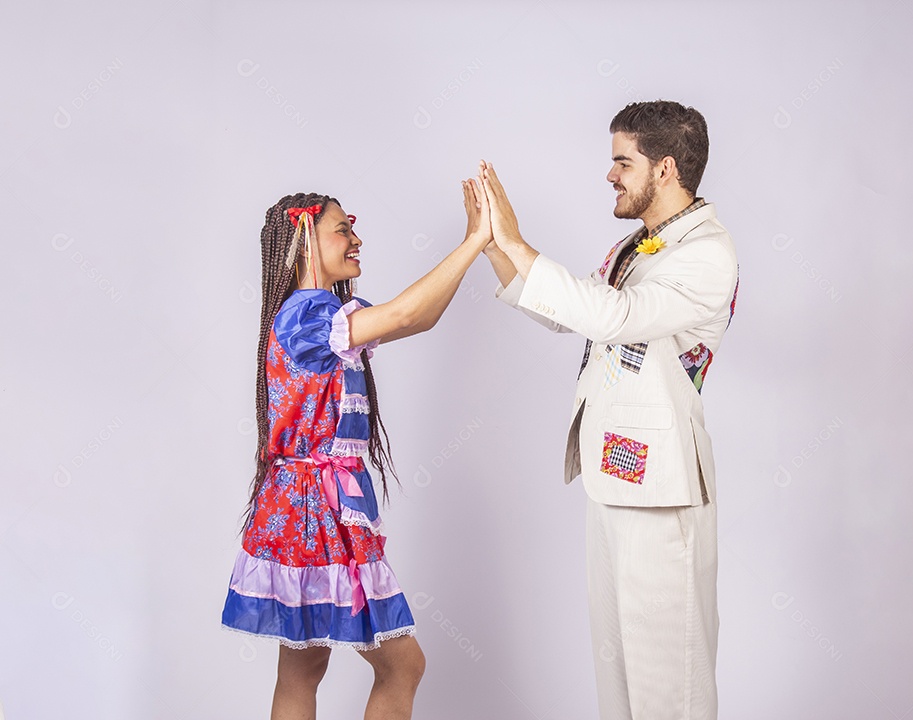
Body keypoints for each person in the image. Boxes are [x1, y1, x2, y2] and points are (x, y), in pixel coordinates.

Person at [479, 100, 739, 719]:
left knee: (668, 681)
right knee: (617, 674)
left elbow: (616, 317)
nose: (610, 175)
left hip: (663, 489)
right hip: (614, 474)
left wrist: (518, 239)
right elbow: (575, 316)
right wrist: (495, 247)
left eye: (622, 161)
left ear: (666, 168)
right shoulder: (637, 246)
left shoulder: (706, 251)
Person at [221, 178, 492, 720]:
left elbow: (420, 315)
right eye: (342, 229)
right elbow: (405, 315)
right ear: (303, 240)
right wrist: (474, 241)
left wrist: (474, 244)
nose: (355, 239)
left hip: (304, 503)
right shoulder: (307, 316)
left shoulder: (320, 314)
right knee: (401, 664)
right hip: (313, 507)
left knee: (303, 667)